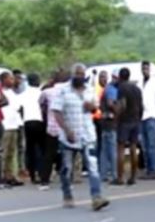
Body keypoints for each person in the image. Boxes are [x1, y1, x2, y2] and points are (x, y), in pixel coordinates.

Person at [49, 64, 109, 211]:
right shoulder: (62, 90)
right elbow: (56, 112)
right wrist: (66, 130)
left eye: (82, 74)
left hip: (87, 135)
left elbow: (96, 108)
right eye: (77, 74)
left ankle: (96, 197)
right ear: (72, 74)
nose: (80, 77)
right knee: (67, 168)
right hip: (68, 136)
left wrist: (93, 108)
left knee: (93, 168)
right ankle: (67, 195)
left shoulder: (90, 89)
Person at [39, 68, 70, 191]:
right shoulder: (69, 92)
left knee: (48, 155)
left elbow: (41, 103)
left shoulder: (47, 92)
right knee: (66, 155)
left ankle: (44, 181)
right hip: (65, 127)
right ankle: (66, 180)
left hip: (51, 127)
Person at [114, 68, 143, 186]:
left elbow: (122, 105)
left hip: (125, 121)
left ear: (120, 77)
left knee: (120, 148)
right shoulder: (137, 89)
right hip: (135, 120)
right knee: (133, 148)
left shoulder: (122, 88)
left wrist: (117, 117)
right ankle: (133, 176)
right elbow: (141, 106)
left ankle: (120, 177)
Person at [140, 60, 155, 180]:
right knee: (144, 146)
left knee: (152, 145)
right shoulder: (140, 82)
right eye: (143, 68)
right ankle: (148, 169)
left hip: (152, 117)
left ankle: (154, 170)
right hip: (142, 117)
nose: (145, 71)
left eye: (147, 68)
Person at [0, 72, 24, 187]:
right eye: (10, 79)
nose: (13, 81)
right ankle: (1, 175)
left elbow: (18, 108)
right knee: (3, 152)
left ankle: (11, 175)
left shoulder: (12, 93)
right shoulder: (0, 92)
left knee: (11, 153)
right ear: (4, 80)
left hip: (14, 125)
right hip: (5, 125)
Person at [22, 73, 46, 185]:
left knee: (30, 149)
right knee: (41, 149)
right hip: (39, 122)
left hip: (28, 122)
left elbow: (19, 108)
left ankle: (32, 174)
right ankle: (41, 173)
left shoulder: (24, 94)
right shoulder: (41, 93)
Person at [98, 70, 120, 185]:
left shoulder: (108, 88)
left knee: (105, 149)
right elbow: (111, 103)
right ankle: (114, 174)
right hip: (110, 123)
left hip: (105, 122)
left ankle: (103, 174)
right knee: (111, 149)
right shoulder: (111, 89)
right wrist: (119, 111)